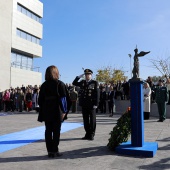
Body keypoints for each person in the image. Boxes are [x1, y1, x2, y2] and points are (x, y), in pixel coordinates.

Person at [38, 65, 67, 158]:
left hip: (47, 110)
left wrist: (43, 109)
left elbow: (40, 100)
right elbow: (63, 99)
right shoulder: (60, 84)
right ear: (56, 73)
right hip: (57, 110)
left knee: (48, 130)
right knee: (56, 131)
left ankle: (50, 151)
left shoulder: (44, 85)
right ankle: (55, 150)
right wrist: (64, 111)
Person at [72, 69, 99, 140]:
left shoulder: (95, 82)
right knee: (86, 120)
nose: (87, 76)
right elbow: (74, 83)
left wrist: (96, 104)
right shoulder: (82, 82)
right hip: (84, 104)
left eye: (88, 74)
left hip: (91, 104)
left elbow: (97, 94)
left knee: (92, 120)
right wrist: (78, 77)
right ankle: (87, 134)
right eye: (86, 74)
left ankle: (92, 134)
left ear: (91, 75)